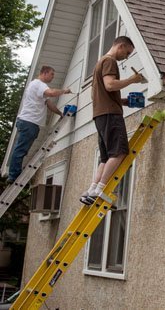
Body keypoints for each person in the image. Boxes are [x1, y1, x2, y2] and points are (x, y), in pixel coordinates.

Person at [80, 36, 143, 205]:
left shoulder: (99, 63)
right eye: (127, 52)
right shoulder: (110, 61)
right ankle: (100, 189)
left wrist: (121, 101)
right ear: (121, 46)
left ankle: (92, 189)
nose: (127, 57)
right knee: (120, 152)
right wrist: (133, 80)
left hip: (100, 114)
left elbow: (100, 92)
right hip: (110, 114)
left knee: (106, 157)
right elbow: (109, 85)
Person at [7, 66, 71, 183]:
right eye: (51, 74)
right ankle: (13, 175)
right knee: (21, 149)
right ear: (44, 73)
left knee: (22, 149)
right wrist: (64, 91)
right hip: (28, 122)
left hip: (30, 123)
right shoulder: (38, 84)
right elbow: (51, 93)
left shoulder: (38, 87)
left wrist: (60, 113)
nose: (52, 77)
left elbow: (48, 103)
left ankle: (14, 174)